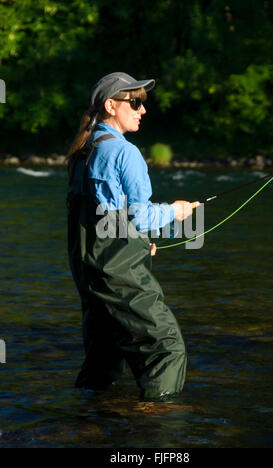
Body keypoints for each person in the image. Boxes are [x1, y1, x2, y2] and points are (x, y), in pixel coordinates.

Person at [66, 72, 194, 401]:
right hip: (118, 274)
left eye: (142, 103)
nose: (142, 110)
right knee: (165, 348)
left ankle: (85, 422)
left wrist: (134, 240)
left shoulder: (83, 152)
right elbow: (142, 215)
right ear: (111, 105)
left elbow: (104, 217)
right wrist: (177, 211)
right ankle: (157, 426)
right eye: (134, 102)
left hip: (89, 275)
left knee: (103, 358)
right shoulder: (125, 153)